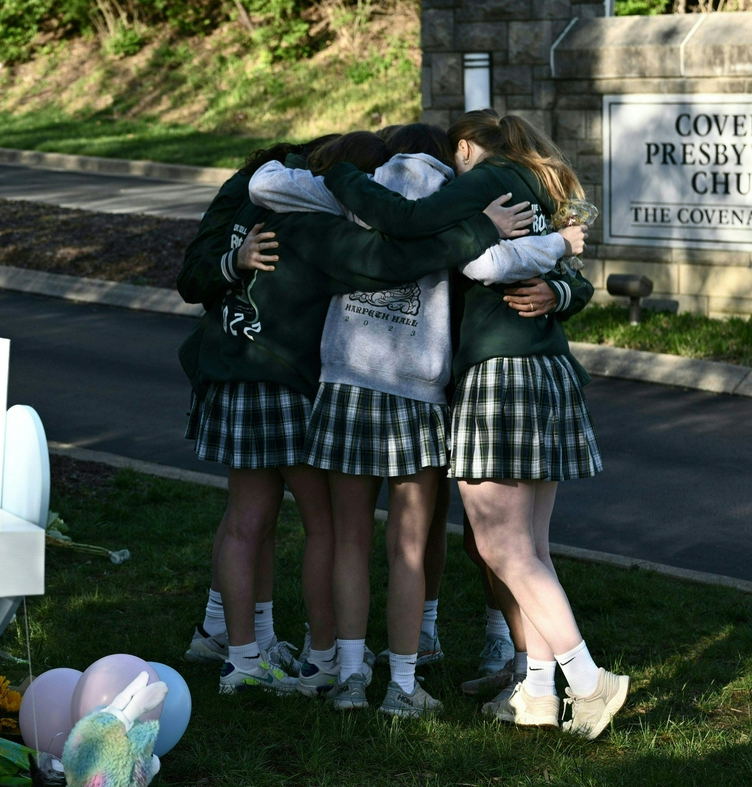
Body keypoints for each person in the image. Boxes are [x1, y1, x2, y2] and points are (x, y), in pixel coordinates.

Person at [246, 123, 586, 717]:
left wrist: (331, 171)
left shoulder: (357, 191)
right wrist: (561, 247)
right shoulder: (459, 210)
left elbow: (266, 183)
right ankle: (403, 684)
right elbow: (497, 262)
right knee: (406, 544)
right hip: (417, 394)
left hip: (346, 382)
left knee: (350, 538)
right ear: (449, 158)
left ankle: (350, 674)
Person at [180, 130, 533, 697]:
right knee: (380, 539)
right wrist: (494, 232)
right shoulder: (373, 220)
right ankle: (370, 671)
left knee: (277, 524)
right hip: (345, 388)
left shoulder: (302, 204)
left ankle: (287, 661)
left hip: (300, 382)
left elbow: (264, 192)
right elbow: (387, 258)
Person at [320, 109, 628, 738]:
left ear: (464, 148)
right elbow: (569, 278)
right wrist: (556, 271)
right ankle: (539, 693)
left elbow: (418, 228)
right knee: (531, 549)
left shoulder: (484, 180)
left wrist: (344, 175)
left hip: (499, 376)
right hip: (547, 373)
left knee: (502, 546)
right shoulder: (541, 185)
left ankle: (589, 682)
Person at [177, 137, 337, 675]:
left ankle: (246, 650)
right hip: (276, 374)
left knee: (250, 520)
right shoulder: (300, 196)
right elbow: (193, 275)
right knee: (315, 521)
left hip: (238, 370)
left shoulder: (255, 190)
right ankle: (316, 655)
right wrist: (233, 261)